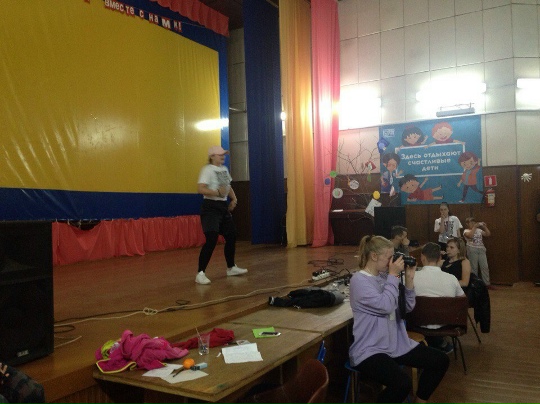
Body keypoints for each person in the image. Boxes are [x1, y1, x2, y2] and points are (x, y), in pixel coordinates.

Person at [349, 235, 449, 404]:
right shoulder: (359, 280)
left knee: (440, 360)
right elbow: (386, 306)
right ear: (374, 256)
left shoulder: (385, 277)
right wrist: (393, 276)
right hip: (370, 349)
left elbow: (406, 308)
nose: (392, 262)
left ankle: (420, 401)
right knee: (402, 383)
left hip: (395, 344)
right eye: (388, 257)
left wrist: (409, 279)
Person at [195, 146, 247, 285]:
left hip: (222, 207)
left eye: (224, 154)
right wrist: (217, 192)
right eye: (220, 155)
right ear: (212, 156)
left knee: (231, 235)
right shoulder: (207, 170)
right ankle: (200, 273)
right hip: (210, 208)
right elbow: (201, 188)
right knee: (211, 238)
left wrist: (234, 199)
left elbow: (227, 187)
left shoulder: (224, 169)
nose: (223, 156)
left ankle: (231, 267)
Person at [414, 242, 465, 353]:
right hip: (446, 323)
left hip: (417, 322)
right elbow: (462, 301)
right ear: (440, 258)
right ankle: (439, 343)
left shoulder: (411, 278)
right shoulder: (452, 278)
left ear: (422, 257)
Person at [463, 217, 493, 289]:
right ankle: (475, 284)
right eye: (471, 222)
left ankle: (487, 284)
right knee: (474, 268)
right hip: (472, 249)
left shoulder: (479, 230)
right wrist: (474, 227)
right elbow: (470, 236)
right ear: (467, 224)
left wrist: (484, 227)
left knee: (485, 267)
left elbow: (488, 234)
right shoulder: (466, 231)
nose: (473, 224)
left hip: (481, 249)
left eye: (474, 222)